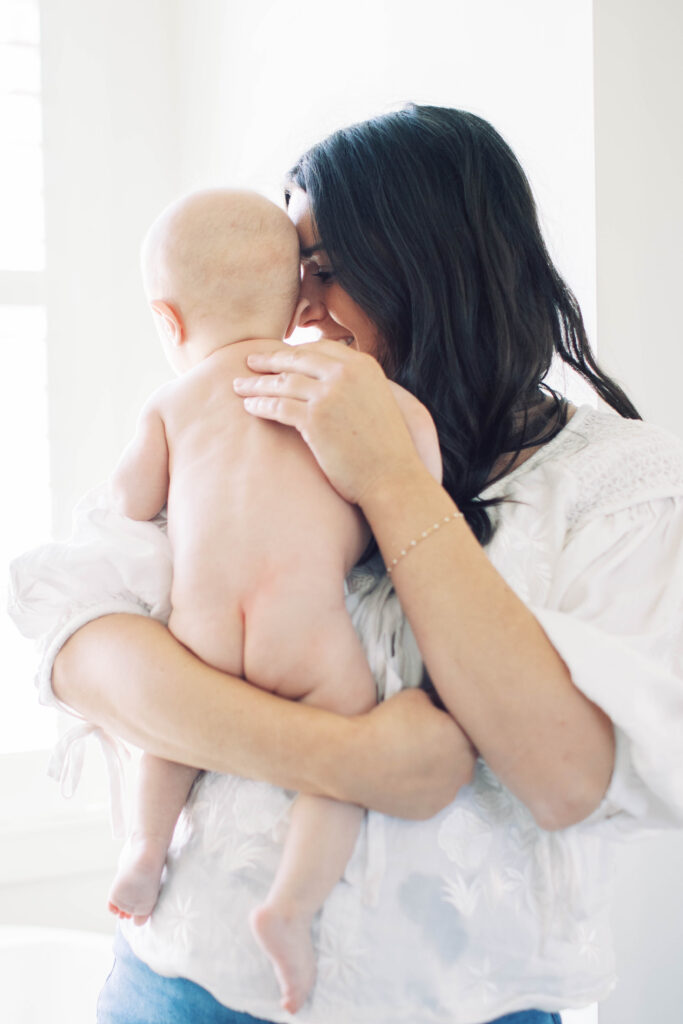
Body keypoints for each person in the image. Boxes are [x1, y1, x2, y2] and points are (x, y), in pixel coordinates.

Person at [9, 104, 683, 1024]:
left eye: (325, 270)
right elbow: (78, 641)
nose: (299, 309)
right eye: (296, 271)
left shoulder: (622, 481)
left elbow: (564, 775)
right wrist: (352, 756)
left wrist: (392, 481)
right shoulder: (257, 408)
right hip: (178, 984)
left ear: (427, 264)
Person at [104, 187, 441, 1012]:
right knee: (346, 757)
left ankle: (145, 853)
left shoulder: (171, 402)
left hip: (202, 629)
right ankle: (290, 906)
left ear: (170, 321)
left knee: (169, 735)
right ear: (299, 302)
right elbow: (415, 472)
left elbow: (124, 507)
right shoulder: (343, 380)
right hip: (306, 628)